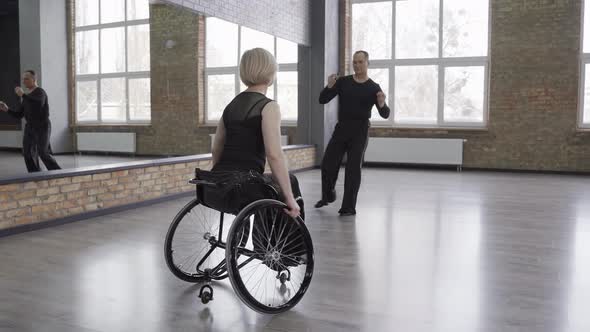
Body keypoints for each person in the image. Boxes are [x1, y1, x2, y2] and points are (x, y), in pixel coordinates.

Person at [210, 48, 303, 220]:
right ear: (270, 72)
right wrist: (289, 197)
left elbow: (216, 148)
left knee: (270, 184)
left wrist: (219, 177)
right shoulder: (268, 106)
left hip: (223, 181)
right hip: (246, 184)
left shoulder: (231, 105)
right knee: (289, 182)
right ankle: (278, 244)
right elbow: (274, 155)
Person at [315, 50, 390, 216]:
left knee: (353, 169)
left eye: (360, 62)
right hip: (342, 128)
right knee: (328, 164)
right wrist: (329, 86)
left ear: (367, 63)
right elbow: (323, 99)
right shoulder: (343, 82)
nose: (357, 65)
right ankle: (328, 195)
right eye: (354, 62)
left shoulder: (373, 87)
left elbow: (385, 114)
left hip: (360, 131)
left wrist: (382, 103)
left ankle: (348, 207)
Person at [0, 70, 61, 173]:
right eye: (23, 79)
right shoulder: (26, 98)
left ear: (34, 80)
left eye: (26, 79)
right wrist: (7, 109)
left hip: (42, 126)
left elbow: (38, 104)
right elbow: (19, 114)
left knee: (43, 152)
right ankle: (35, 174)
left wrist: (23, 95)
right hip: (30, 127)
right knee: (28, 152)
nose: (24, 81)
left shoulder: (40, 92)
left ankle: (59, 174)